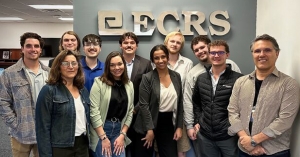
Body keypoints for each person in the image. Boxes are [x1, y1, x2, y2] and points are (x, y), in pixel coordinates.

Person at [228, 34, 300, 157]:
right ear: (252, 54)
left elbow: (285, 120)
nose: (262, 54)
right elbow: (232, 111)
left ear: (277, 53)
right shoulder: (241, 82)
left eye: (267, 50)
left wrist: (254, 141)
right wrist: (246, 139)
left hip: (274, 152)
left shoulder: (289, 84)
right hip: (244, 150)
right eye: (257, 51)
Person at [183, 35, 241, 156]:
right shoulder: (197, 75)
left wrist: (237, 127)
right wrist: (194, 122)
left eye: (202, 47)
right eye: (196, 50)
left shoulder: (234, 70)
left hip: (229, 133)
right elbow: (192, 101)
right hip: (206, 133)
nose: (200, 51)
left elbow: (242, 101)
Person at [0, 32, 49, 157]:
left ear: (41, 49)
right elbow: (3, 101)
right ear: (22, 48)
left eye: (36, 46)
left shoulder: (50, 73)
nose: (33, 49)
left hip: (44, 132)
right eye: (29, 46)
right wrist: (15, 124)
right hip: (21, 133)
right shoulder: (9, 73)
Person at [35, 50, 90, 157]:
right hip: (60, 147)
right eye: (65, 63)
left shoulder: (82, 90)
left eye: (74, 63)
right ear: (58, 67)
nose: (71, 66)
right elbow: (42, 128)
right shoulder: (49, 91)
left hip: (82, 145)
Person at [134, 44, 183, 157]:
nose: (160, 60)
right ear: (152, 60)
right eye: (156, 58)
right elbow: (144, 105)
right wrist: (149, 129)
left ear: (167, 57)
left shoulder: (176, 76)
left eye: (163, 57)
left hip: (167, 123)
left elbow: (180, 103)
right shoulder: (147, 77)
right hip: (147, 121)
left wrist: (179, 127)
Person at [89, 51, 134, 157]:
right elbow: (93, 111)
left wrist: (123, 134)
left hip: (119, 130)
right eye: (112, 65)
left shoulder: (129, 85)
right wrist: (103, 137)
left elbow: (130, 111)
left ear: (124, 64)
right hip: (102, 129)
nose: (116, 68)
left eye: (119, 64)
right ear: (108, 67)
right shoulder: (99, 83)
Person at [119, 32, 152, 157]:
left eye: (132, 43)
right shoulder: (114, 62)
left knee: (139, 151)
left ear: (136, 46)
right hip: (120, 115)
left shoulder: (146, 64)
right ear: (121, 45)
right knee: (121, 151)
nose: (129, 45)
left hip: (139, 115)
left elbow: (149, 90)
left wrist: (135, 109)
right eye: (125, 43)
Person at [163, 31, 194, 157]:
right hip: (163, 113)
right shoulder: (156, 62)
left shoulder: (187, 63)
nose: (175, 44)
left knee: (181, 150)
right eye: (172, 41)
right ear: (166, 43)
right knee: (162, 149)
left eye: (178, 42)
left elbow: (188, 91)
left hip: (181, 113)